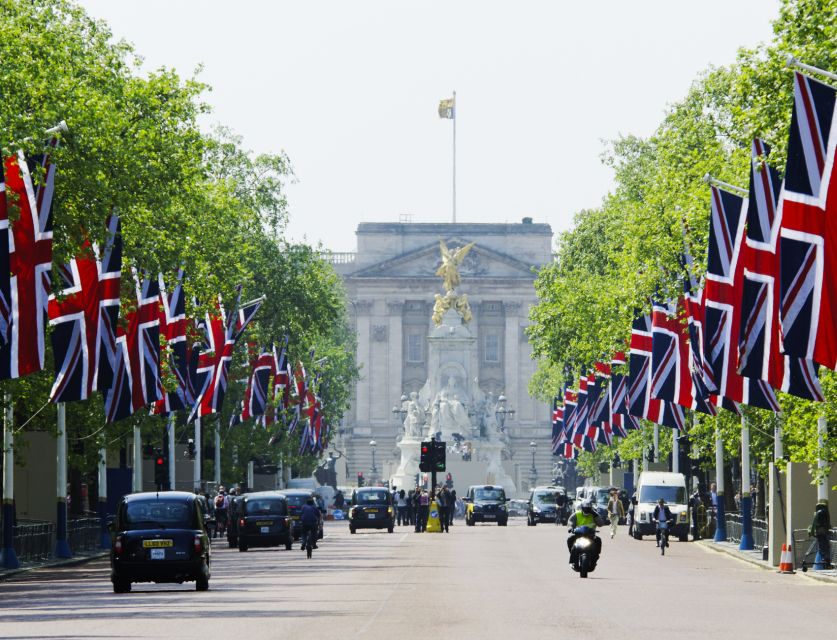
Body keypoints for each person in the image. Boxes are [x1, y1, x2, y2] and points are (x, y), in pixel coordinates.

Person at [809, 501, 833, 568]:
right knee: (826, 546)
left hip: (820, 532)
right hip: (825, 531)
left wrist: (812, 532)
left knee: (821, 547)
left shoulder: (819, 512)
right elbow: (828, 522)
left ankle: (822, 562)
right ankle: (827, 562)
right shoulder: (826, 512)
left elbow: (814, 523)